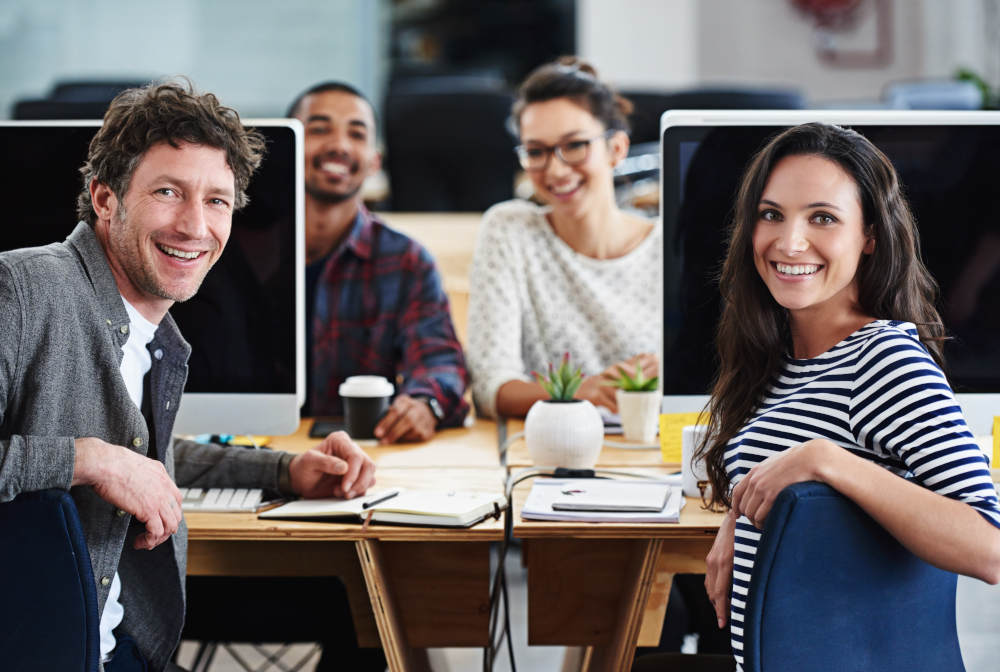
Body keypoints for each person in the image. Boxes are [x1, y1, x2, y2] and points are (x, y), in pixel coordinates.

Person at [0, 81, 377, 672]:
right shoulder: (23, 290)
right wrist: (89, 460)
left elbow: (142, 457)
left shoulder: (155, 338)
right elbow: (114, 459)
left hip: (113, 648)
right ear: (104, 199)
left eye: (217, 201)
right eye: (168, 192)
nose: (195, 226)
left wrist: (284, 471)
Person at [696, 122, 1000, 671]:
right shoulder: (778, 360)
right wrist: (741, 515)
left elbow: (989, 547)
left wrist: (824, 460)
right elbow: (797, 489)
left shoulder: (883, 361)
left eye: (823, 218)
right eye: (771, 214)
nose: (789, 241)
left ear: (870, 236)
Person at [467, 57, 660, 419]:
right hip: (546, 455)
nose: (555, 169)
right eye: (536, 152)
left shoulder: (669, 247)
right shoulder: (511, 231)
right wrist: (582, 392)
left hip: (654, 456)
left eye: (574, 146)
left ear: (616, 149)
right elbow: (490, 388)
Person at [287, 81, 469, 443]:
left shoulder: (405, 262)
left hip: (359, 454)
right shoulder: (229, 248)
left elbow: (439, 361)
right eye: (319, 129)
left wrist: (424, 403)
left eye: (356, 134)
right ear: (285, 147)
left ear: (374, 161)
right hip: (246, 448)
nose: (338, 145)